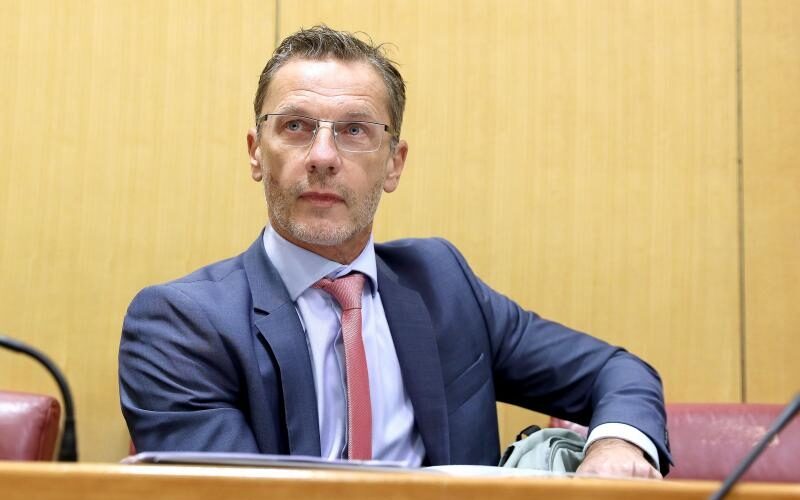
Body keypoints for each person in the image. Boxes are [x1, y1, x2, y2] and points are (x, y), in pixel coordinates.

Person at [119, 25, 670, 478]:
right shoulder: (181, 324)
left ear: (394, 163)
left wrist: (616, 444)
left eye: (355, 130)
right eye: (296, 126)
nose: (322, 156)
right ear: (256, 153)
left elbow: (618, 372)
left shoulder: (443, 284)